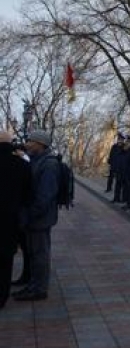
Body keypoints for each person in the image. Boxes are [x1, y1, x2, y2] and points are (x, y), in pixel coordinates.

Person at [15, 129, 61, 302]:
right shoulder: (38, 160)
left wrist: (31, 214)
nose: (27, 144)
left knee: (40, 254)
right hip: (36, 217)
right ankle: (33, 284)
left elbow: (45, 195)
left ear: (40, 144)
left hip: (40, 219)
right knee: (35, 253)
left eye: (30, 141)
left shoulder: (48, 164)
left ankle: (39, 289)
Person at [0, 130, 31, 309]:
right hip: (10, 221)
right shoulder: (21, 165)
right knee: (5, 260)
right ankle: (2, 295)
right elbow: (28, 194)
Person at [119, 135, 130, 211]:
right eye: (127, 142)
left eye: (128, 142)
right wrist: (124, 150)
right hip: (126, 172)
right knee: (127, 189)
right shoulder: (128, 150)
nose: (126, 143)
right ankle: (128, 203)